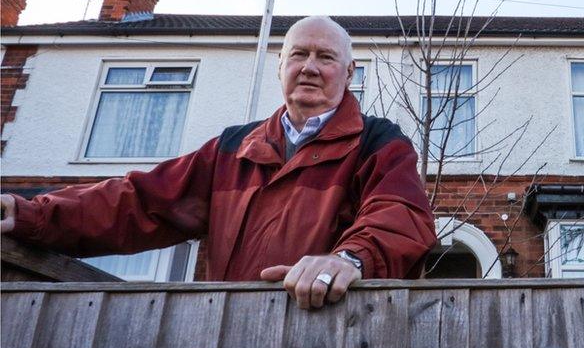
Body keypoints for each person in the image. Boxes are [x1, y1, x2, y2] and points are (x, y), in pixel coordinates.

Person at [0, 16, 436, 310]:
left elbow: (401, 216)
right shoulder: (233, 148)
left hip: (331, 337)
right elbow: (137, 202)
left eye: (326, 58)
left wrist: (348, 259)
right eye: (299, 55)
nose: (310, 67)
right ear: (279, 66)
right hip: (228, 334)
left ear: (349, 72)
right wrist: (26, 212)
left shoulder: (379, 142)